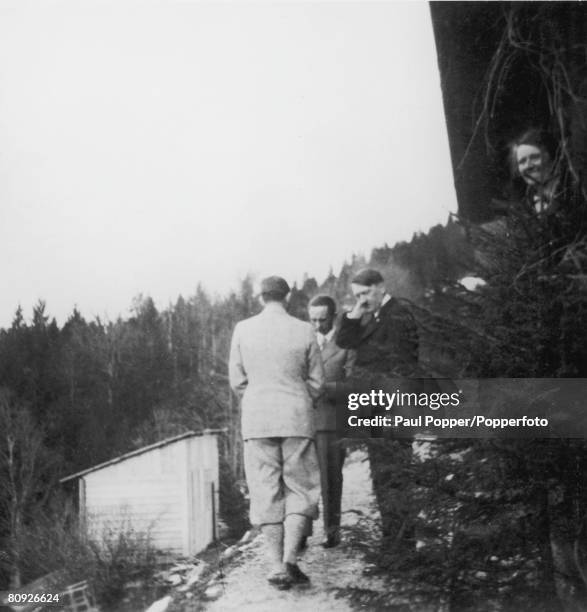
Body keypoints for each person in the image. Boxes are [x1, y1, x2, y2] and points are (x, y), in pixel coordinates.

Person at [229, 275, 324, 589]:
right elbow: (317, 383)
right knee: (300, 487)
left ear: (260, 297)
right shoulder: (304, 329)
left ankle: (273, 563)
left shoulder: (242, 329)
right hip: (296, 417)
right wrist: (297, 398)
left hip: (257, 419)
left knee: (265, 489)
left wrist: (259, 397)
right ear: (288, 296)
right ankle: (290, 560)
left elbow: (237, 381)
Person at [336, 268, 419, 551]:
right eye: (357, 294)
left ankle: (403, 542)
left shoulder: (398, 314)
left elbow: (399, 363)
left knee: (396, 475)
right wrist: (357, 311)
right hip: (377, 408)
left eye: (366, 293)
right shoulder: (370, 316)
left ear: (381, 287)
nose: (363, 299)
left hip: (395, 407)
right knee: (382, 475)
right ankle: (392, 540)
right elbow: (343, 341)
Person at [307, 295, 355, 548]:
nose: (316, 325)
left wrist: (320, 388)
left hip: (331, 422)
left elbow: (352, 385)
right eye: (312, 319)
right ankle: (301, 532)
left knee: (330, 478)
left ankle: (331, 531)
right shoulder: (304, 341)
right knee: (301, 478)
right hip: (303, 421)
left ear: (333, 317)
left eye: (322, 320)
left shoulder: (346, 344)